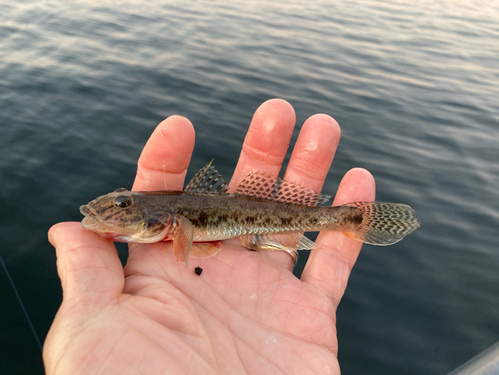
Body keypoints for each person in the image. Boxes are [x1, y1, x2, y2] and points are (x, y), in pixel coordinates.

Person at [45, 99, 375, 374]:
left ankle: (346, 219)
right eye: (122, 201)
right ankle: (343, 218)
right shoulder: (165, 218)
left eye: (123, 202)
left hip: (259, 217)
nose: (118, 207)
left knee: (324, 217)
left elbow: (188, 237)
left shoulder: (172, 219)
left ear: (161, 219)